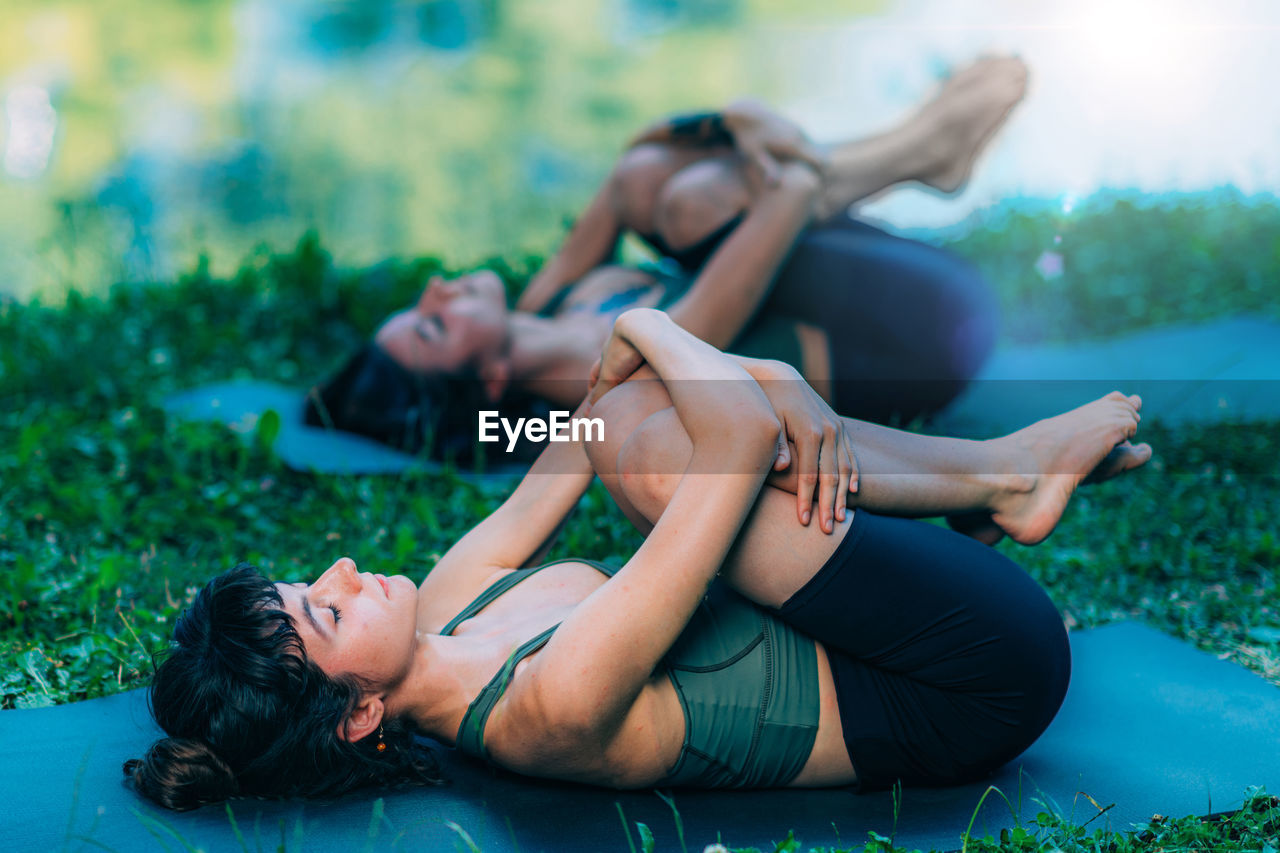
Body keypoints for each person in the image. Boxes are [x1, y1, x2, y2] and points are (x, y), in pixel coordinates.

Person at [127, 308, 1152, 810]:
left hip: (881, 628)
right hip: (968, 683)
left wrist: (749, 378)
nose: (346, 569)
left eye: (314, 583)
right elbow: (735, 444)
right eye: (330, 611)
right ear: (357, 713)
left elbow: (583, 424)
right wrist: (648, 323)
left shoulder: (446, 603)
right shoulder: (546, 708)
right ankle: (994, 479)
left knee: (626, 425)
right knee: (659, 453)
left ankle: (995, 478)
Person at [306, 58, 1030, 456]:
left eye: (421, 306)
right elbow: (789, 198)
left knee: (655, 186)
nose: (435, 290)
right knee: (692, 203)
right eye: (435, 325)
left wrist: (730, 121)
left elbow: (631, 168)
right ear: (493, 378)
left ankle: (925, 153)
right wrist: (757, 130)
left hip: (865, 282)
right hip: (925, 333)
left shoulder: (548, 305)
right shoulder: (620, 378)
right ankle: (921, 151)